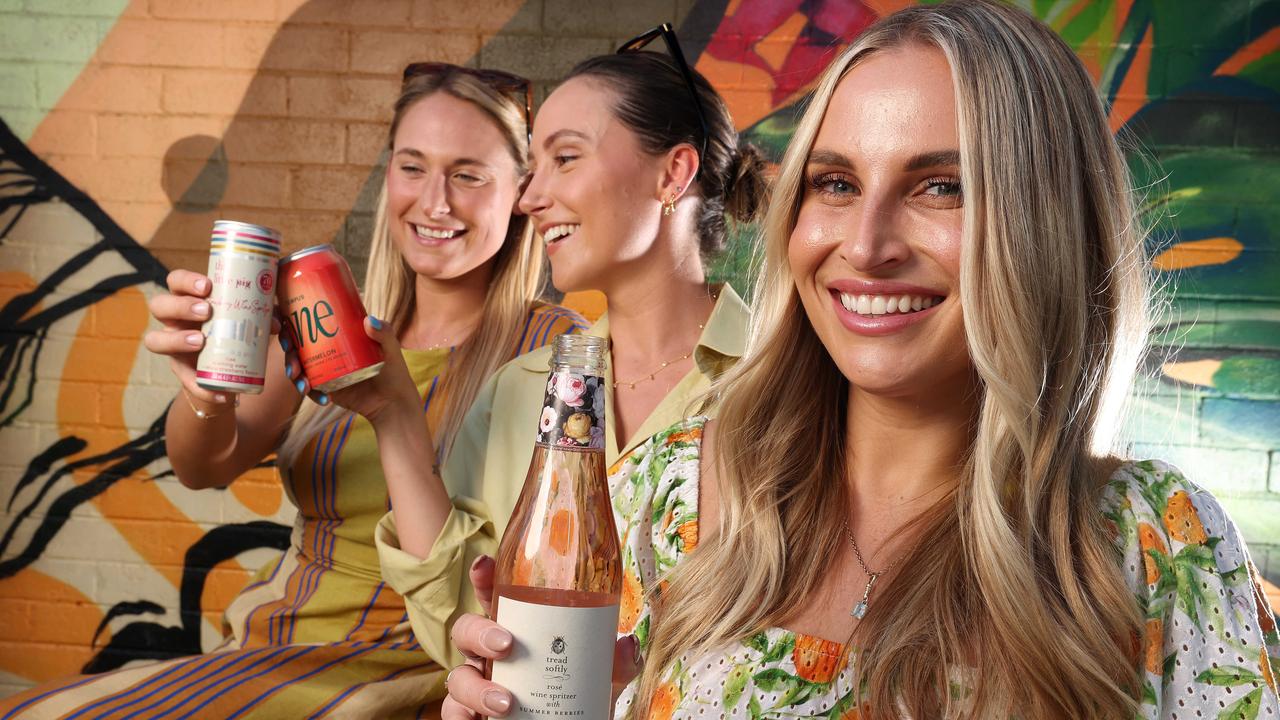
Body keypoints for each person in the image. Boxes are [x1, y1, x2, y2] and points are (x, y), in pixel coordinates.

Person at [440, 2, 1280, 718]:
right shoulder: (658, 500)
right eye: (835, 184)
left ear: (1048, 225)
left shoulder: (1162, 549)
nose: (865, 245)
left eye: (940, 186)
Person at [0, 64, 584, 719]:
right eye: (412, 167)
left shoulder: (558, 352)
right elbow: (202, 466)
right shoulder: (329, 316)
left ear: (521, 191)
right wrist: (206, 393)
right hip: (271, 642)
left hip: (417, 662)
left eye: (468, 175)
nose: (435, 202)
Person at [373, 29, 770, 680]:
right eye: (532, 167)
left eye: (565, 159)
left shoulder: (787, 385)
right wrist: (392, 413)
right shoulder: (521, 390)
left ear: (672, 174)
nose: (528, 198)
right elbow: (464, 625)